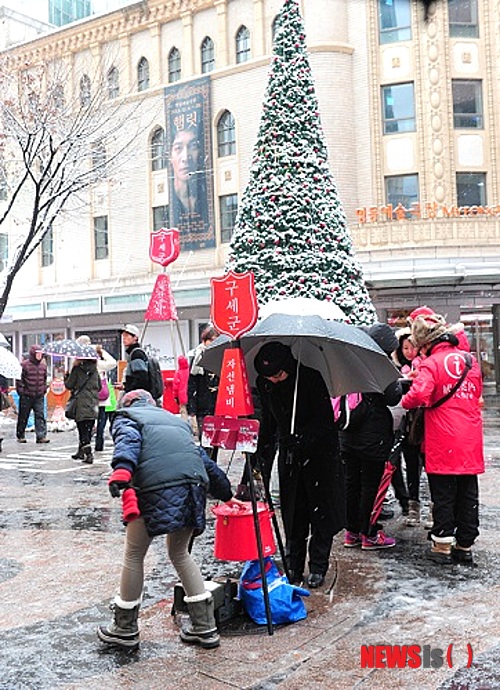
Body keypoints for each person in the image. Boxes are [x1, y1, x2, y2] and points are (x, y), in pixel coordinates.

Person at [97, 389, 234, 651]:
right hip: (192, 486)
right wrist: (226, 494)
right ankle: (204, 627)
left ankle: (124, 628)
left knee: (134, 554)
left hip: (153, 488)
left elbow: (128, 443)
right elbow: (203, 460)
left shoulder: (127, 418)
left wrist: (122, 471)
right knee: (180, 553)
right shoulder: (176, 422)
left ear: (129, 404)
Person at [253, 342, 344, 589]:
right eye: (268, 377)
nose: (274, 380)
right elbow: (269, 424)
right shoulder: (265, 384)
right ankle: (293, 565)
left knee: (320, 511)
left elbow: (326, 423)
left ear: (289, 367)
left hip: (319, 456)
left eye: (278, 375)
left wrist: (303, 438)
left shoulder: (310, 379)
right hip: (290, 456)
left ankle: (318, 566)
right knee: (293, 512)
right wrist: (261, 458)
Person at [401, 312, 484, 565]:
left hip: (442, 438)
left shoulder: (432, 363)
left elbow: (418, 396)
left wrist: (405, 397)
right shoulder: (470, 361)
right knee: (468, 492)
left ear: (427, 344)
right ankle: (465, 543)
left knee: (444, 493)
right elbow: (476, 392)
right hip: (469, 437)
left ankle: (443, 544)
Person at [340, 324, 403, 551]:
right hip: (373, 436)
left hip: (348, 433)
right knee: (371, 486)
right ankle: (370, 533)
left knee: (351, 483)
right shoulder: (380, 365)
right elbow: (392, 398)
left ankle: (352, 532)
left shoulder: (351, 362)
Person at [392, 327, 423, 526]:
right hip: (398, 423)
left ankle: (413, 503)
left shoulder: (424, 367)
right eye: (405, 348)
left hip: (415, 423)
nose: (409, 352)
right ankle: (404, 500)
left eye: (412, 347)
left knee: (414, 464)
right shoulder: (394, 368)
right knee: (394, 463)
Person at [76, 335, 117, 452]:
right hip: (101, 397)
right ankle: (98, 446)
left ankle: (85, 446)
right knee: (100, 423)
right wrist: (101, 351)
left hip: (88, 398)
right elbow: (113, 363)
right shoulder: (98, 363)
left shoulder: (79, 364)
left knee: (87, 424)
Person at [64, 356, 101, 464]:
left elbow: (69, 385)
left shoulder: (77, 369)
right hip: (93, 403)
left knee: (82, 430)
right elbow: (99, 386)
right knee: (88, 428)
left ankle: (89, 454)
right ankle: (81, 452)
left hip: (81, 403)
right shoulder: (94, 370)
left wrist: (67, 376)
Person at [187, 326, 219, 444]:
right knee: (205, 439)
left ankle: (212, 461)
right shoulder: (197, 357)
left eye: (215, 340)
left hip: (217, 405)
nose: (212, 343)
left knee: (216, 440)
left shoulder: (220, 356)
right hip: (202, 404)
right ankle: (206, 461)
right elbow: (192, 384)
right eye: (210, 340)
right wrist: (192, 409)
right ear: (204, 341)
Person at [16, 344, 50, 444]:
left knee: (40, 415)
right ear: (33, 354)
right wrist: (22, 392)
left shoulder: (43, 366)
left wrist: (43, 389)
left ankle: (41, 436)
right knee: (23, 416)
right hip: (26, 395)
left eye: (41, 354)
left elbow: (44, 379)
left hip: (39, 395)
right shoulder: (24, 365)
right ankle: (20, 434)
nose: (40, 356)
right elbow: (19, 380)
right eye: (38, 354)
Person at [120, 324, 150, 394]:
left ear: (135, 338)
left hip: (136, 396)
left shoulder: (136, 354)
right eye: (123, 336)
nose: (124, 338)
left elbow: (141, 377)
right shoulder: (133, 353)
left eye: (127, 336)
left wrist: (127, 387)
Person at [172, 354, 189, 421]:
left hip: (182, 396)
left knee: (183, 412)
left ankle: (185, 426)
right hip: (190, 394)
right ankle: (195, 428)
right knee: (192, 413)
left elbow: (176, 387)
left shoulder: (178, 373)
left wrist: (175, 396)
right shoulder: (190, 371)